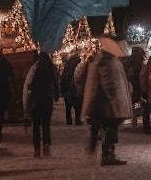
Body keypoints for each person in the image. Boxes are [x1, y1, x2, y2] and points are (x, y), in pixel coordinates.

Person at [82, 36, 133, 166]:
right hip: (106, 103)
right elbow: (109, 83)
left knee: (106, 128)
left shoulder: (104, 58)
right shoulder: (106, 60)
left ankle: (103, 151)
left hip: (103, 102)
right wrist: (115, 99)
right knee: (110, 128)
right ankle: (107, 155)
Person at [24, 51, 59, 157]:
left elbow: (30, 85)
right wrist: (56, 95)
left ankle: (37, 148)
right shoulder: (51, 69)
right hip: (47, 100)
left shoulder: (35, 70)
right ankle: (46, 145)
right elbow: (55, 83)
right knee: (46, 125)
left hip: (36, 101)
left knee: (36, 125)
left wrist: (28, 102)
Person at [61, 53, 82, 125]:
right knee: (77, 107)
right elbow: (80, 76)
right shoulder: (79, 65)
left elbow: (63, 78)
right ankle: (77, 120)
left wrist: (63, 90)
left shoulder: (67, 65)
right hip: (76, 89)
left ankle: (69, 122)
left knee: (68, 108)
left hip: (67, 90)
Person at [127, 47, 146, 128]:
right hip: (137, 83)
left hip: (133, 84)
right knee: (138, 101)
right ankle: (135, 119)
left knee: (134, 102)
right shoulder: (139, 62)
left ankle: (133, 119)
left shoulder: (130, 61)